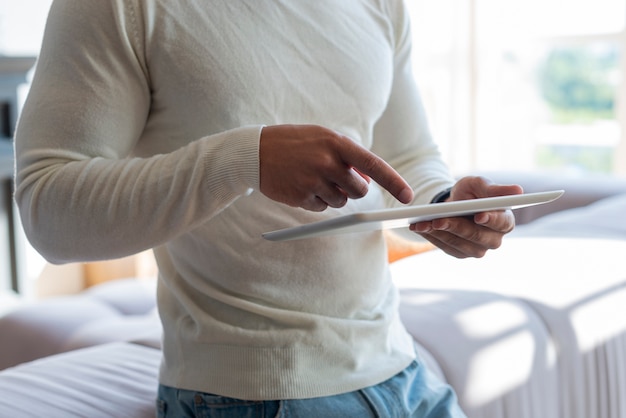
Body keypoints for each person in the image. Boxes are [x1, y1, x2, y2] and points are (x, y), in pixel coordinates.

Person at [14, 0, 522, 416]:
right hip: (251, 395)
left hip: (402, 374)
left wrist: (442, 205)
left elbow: (406, 157)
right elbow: (47, 208)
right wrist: (246, 159)